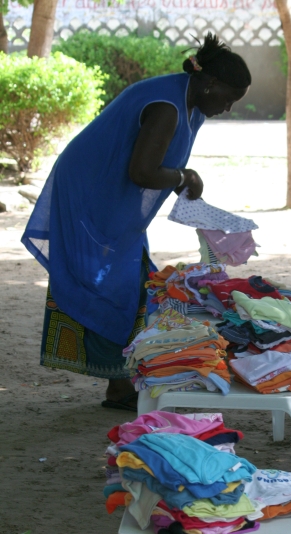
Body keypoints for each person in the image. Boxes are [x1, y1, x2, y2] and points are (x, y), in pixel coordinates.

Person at [22, 33, 251, 412]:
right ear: (209, 83)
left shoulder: (190, 102)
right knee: (115, 283)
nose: (227, 108)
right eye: (228, 99)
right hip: (89, 192)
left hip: (106, 192)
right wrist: (184, 177)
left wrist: (186, 187)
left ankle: (122, 384)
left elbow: (155, 164)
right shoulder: (168, 107)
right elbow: (143, 172)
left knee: (135, 280)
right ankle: (122, 383)